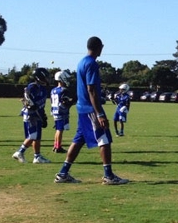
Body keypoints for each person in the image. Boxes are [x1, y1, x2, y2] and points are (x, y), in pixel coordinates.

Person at [54, 36, 129, 185]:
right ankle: (108, 176)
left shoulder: (82, 62)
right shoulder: (92, 64)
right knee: (104, 139)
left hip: (82, 108)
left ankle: (63, 173)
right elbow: (92, 89)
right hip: (91, 109)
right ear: (99, 47)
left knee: (79, 140)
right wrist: (99, 113)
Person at [12, 68, 52, 164]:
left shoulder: (43, 88)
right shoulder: (32, 87)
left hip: (37, 115)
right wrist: (28, 103)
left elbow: (40, 105)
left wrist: (43, 116)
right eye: (45, 77)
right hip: (30, 115)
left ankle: (37, 156)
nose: (48, 79)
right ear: (39, 78)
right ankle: (19, 152)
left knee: (37, 137)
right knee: (32, 136)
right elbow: (28, 101)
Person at [50, 70, 74, 153]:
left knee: (58, 129)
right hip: (61, 111)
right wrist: (72, 101)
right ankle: (58, 147)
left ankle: (55, 145)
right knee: (60, 129)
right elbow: (65, 102)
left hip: (55, 111)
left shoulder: (53, 90)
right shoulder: (64, 90)